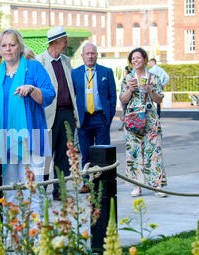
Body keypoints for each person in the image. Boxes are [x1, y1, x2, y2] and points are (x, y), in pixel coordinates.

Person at [0, 28, 55, 217]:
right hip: (4, 141)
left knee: (33, 192)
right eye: (4, 45)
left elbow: (50, 94)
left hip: (32, 139)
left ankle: (37, 242)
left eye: (12, 45)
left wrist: (32, 89)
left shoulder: (33, 68)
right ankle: (13, 242)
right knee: (10, 193)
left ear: (20, 47)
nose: (8, 49)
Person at [36, 26, 80, 201]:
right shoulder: (40, 62)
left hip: (66, 114)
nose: (67, 44)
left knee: (64, 155)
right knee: (45, 156)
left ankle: (60, 190)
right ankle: (40, 191)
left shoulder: (66, 61)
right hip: (47, 115)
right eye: (64, 41)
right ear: (54, 42)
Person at [120, 48, 167, 197]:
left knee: (154, 151)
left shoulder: (153, 78)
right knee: (134, 152)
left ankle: (157, 186)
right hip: (133, 118)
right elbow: (122, 99)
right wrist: (130, 91)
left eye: (138, 58)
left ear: (145, 60)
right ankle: (137, 186)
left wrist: (150, 91)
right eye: (132, 59)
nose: (135, 61)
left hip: (150, 118)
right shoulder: (128, 79)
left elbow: (159, 99)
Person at [71, 42, 117, 193]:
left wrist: (108, 117)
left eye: (93, 53)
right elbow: (73, 97)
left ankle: (103, 183)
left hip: (100, 118)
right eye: (87, 54)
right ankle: (87, 183)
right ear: (82, 56)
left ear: (97, 55)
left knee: (103, 152)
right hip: (84, 119)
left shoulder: (106, 72)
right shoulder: (75, 73)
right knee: (86, 153)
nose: (90, 56)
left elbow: (112, 96)